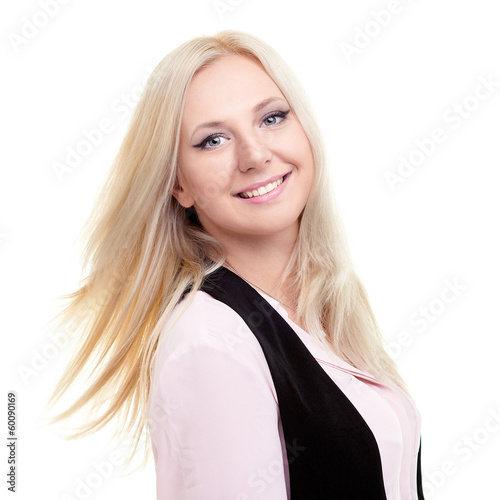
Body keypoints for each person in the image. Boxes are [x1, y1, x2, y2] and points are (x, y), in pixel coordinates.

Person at [48, 30, 424, 499]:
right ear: (178, 185)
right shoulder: (211, 345)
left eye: (272, 118)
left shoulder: (325, 310)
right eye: (213, 140)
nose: (255, 155)